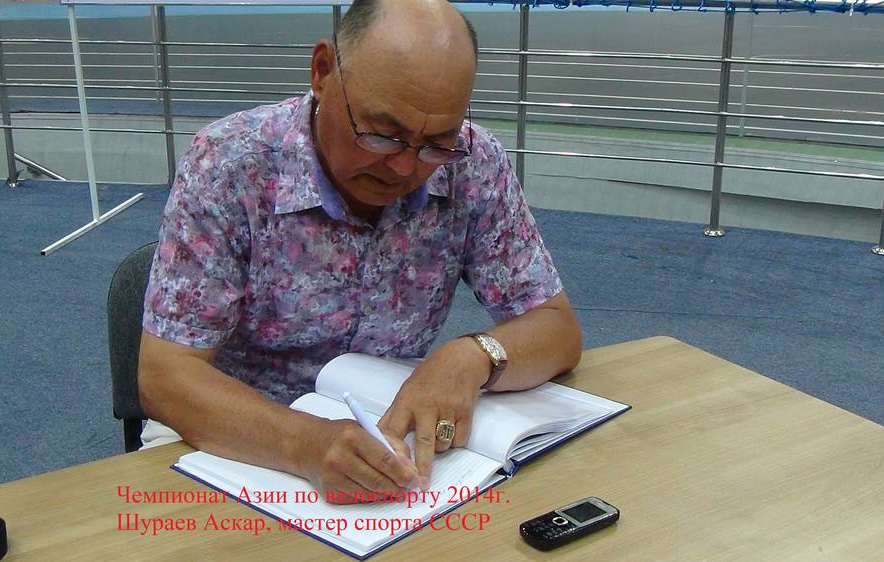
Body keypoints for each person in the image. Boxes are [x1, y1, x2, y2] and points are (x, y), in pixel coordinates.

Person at [138, 0, 582, 502]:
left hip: (384, 435)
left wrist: (475, 354)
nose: (404, 169)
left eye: (436, 143)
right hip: (235, 434)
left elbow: (557, 330)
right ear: (322, 72)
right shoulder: (230, 164)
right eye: (381, 135)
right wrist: (304, 443)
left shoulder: (472, 164)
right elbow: (164, 376)